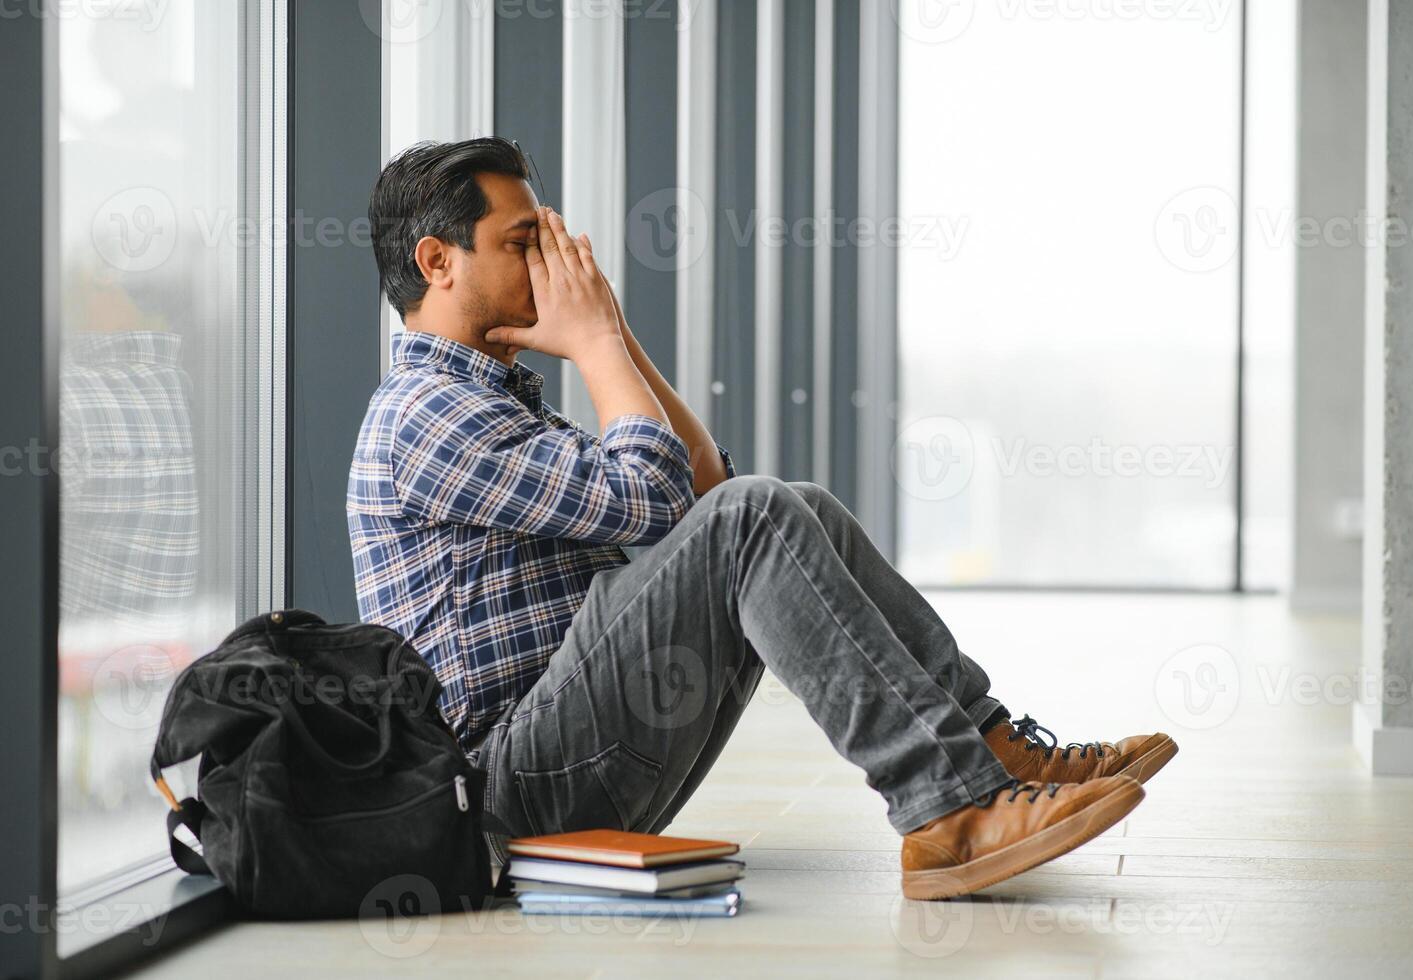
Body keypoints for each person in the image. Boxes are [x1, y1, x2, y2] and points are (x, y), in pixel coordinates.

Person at [348, 138, 1178, 901]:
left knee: (793, 504)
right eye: (523, 242)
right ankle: (948, 815)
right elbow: (658, 498)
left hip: (566, 749)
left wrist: (615, 335)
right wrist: (594, 341)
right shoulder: (426, 413)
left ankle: (986, 746)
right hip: (508, 791)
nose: (553, 262)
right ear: (436, 262)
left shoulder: (494, 406)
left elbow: (703, 485)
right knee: (757, 516)